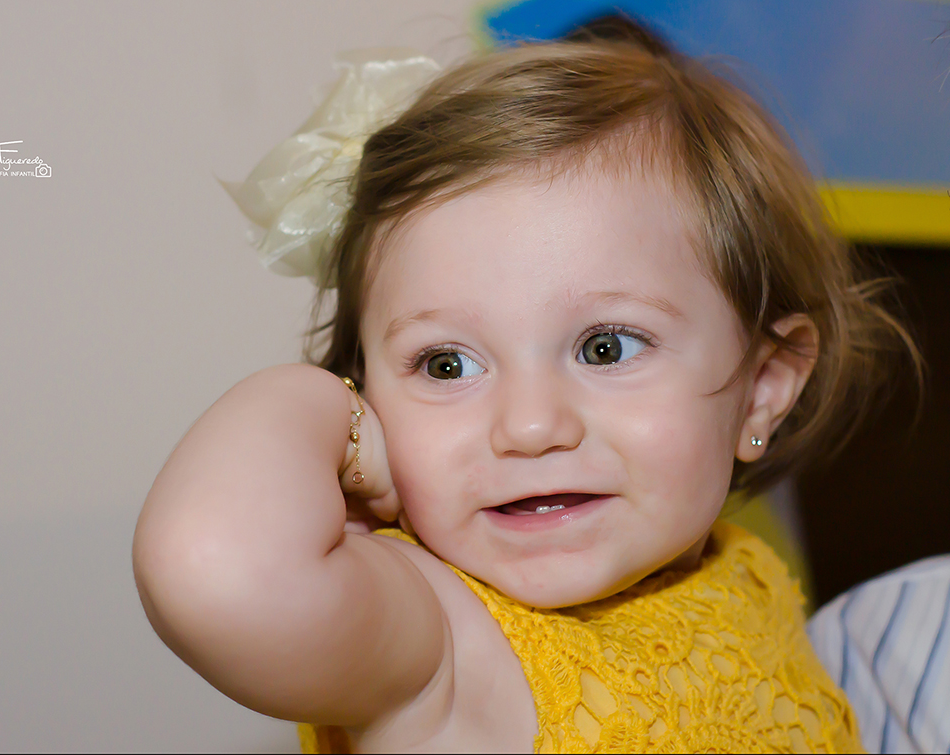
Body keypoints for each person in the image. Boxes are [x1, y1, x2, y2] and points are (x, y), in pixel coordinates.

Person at [132, 20, 919, 754]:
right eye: (447, 365)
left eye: (605, 347)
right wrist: (317, 405)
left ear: (763, 389)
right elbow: (215, 570)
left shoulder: (745, 572)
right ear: (368, 399)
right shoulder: (434, 643)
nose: (531, 426)